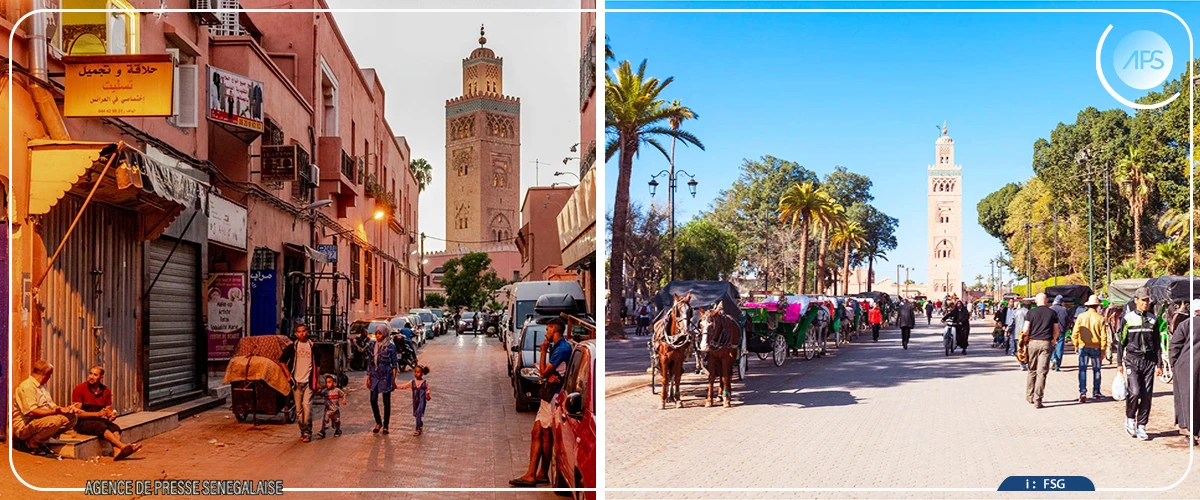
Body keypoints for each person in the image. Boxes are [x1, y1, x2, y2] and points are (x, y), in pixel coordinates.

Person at [510, 318, 571, 487]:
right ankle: (540, 473)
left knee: (542, 432)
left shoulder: (562, 348)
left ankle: (533, 474)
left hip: (552, 395)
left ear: (554, 329)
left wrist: (543, 352)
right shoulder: (560, 347)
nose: (546, 333)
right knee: (540, 431)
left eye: (547, 330)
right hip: (549, 394)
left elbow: (544, 372)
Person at [1117, 287, 1164, 440]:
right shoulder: (1127, 318)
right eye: (1143, 300)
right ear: (1136, 300)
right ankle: (1130, 419)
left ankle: (1142, 425)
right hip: (1132, 360)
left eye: (1147, 300)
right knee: (1135, 391)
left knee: (1146, 395)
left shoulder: (1153, 319)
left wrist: (1159, 364)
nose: (1145, 303)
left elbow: (1157, 343)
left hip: (1149, 361)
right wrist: (1119, 363)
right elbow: (1121, 343)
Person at [11, 360, 80, 456]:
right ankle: (31, 443)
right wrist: (53, 412)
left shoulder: (42, 387)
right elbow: (31, 412)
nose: (50, 378)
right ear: (45, 374)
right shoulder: (27, 386)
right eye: (50, 375)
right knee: (54, 421)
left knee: (72, 417)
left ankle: (41, 441)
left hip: (40, 421)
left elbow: (51, 405)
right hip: (25, 426)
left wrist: (65, 409)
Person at [71, 366, 141, 459]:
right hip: (82, 422)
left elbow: (108, 410)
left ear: (101, 378)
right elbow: (77, 413)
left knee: (115, 427)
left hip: (98, 420)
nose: (91, 377)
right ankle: (122, 446)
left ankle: (116, 451)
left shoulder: (106, 391)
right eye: (90, 373)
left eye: (95, 375)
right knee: (100, 426)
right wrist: (97, 414)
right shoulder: (80, 389)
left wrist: (111, 416)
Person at [280, 323, 320, 442]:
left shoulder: (313, 347)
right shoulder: (292, 347)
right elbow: (281, 361)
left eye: (304, 331)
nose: (302, 333)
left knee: (307, 406)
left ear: (307, 332)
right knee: (299, 410)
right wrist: (288, 376)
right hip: (296, 382)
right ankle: (303, 430)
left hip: (309, 382)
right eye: (299, 332)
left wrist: (317, 381)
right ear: (296, 334)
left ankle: (307, 433)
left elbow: (317, 366)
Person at [1169, 299, 1200, 446]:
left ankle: (1190, 432)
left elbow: (1174, 346)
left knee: (1187, 399)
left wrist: (1174, 365)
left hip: (1186, 367)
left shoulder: (1185, 324)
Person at [1022, 293, 1060, 408]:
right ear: (1046, 300)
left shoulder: (1031, 312)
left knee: (1031, 370)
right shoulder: (1052, 313)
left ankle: (1029, 396)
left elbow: (1025, 330)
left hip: (1032, 343)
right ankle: (1038, 399)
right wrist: (1054, 339)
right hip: (1046, 343)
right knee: (1042, 372)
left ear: (1036, 301)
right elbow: (1056, 329)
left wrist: (1024, 341)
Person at [1072, 295, 1108, 403]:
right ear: (1097, 306)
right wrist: (1103, 349)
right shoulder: (1100, 318)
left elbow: (1075, 332)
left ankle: (1083, 391)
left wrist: (1076, 344)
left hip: (1083, 346)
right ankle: (1096, 392)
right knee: (1096, 370)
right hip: (1096, 347)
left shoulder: (1081, 316)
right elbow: (1104, 336)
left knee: (1082, 370)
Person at [365, 325, 399, 435]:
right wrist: (368, 376)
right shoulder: (373, 346)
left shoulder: (391, 347)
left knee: (386, 402)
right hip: (375, 375)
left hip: (386, 376)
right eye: (377, 333)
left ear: (384, 334)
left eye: (380, 333)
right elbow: (370, 362)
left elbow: (394, 364)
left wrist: (393, 379)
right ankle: (378, 422)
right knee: (373, 399)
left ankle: (386, 426)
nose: (378, 336)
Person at [396, 365, 432, 436]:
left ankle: (417, 429)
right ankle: (420, 423)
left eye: (418, 372)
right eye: (415, 372)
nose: (416, 374)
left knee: (418, 413)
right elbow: (404, 386)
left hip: (422, 401)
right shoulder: (412, 382)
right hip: (415, 401)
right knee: (416, 414)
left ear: (422, 373)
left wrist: (428, 395)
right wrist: (396, 386)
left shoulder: (425, 383)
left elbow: (428, 390)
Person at [317, 374, 346, 439]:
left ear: (334, 383)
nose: (328, 384)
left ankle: (337, 430)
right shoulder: (325, 391)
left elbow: (343, 395)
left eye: (329, 382)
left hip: (335, 410)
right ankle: (323, 431)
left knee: (336, 421)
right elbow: (320, 393)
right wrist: (319, 391)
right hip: (328, 409)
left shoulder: (337, 390)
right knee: (325, 420)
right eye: (327, 382)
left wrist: (344, 400)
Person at [1049, 295, 1070, 371]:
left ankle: (1053, 358)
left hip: (1052, 330)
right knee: (1060, 348)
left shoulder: (1051, 309)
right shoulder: (1064, 310)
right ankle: (1057, 366)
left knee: (1050, 345)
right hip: (1061, 330)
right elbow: (1068, 321)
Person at [1008, 300, 1030, 366]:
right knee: (1027, 348)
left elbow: (1011, 322)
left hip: (1018, 333)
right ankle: (1027, 362)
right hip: (1027, 333)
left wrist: (1007, 330)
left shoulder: (1016, 311)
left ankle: (1022, 363)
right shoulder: (1029, 312)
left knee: (1020, 348)